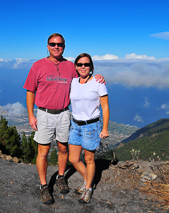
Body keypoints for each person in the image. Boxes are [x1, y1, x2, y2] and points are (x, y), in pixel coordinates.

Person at [23, 33, 104, 205]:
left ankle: (61, 177)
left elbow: (84, 74)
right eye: (53, 44)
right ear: (47, 46)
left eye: (59, 44)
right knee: (43, 152)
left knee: (63, 149)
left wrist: (99, 77)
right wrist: (31, 115)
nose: (56, 47)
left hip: (65, 114)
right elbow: (30, 91)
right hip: (44, 113)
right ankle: (44, 186)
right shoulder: (37, 66)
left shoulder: (70, 66)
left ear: (64, 47)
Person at [68, 53, 110, 204]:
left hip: (91, 126)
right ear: (76, 67)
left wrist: (104, 128)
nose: (83, 67)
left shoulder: (98, 83)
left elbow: (105, 107)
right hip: (75, 125)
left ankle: (87, 188)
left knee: (89, 159)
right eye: (80, 64)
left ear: (91, 67)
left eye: (86, 64)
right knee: (73, 158)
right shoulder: (73, 82)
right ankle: (89, 181)